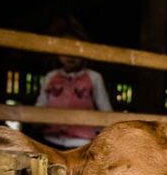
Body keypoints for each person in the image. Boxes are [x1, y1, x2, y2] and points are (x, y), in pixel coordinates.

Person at [35, 19, 113, 149]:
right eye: (65, 49)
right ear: (57, 52)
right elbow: (40, 105)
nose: (70, 55)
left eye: (76, 50)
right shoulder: (51, 77)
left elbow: (105, 109)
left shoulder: (94, 77)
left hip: (83, 142)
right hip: (51, 139)